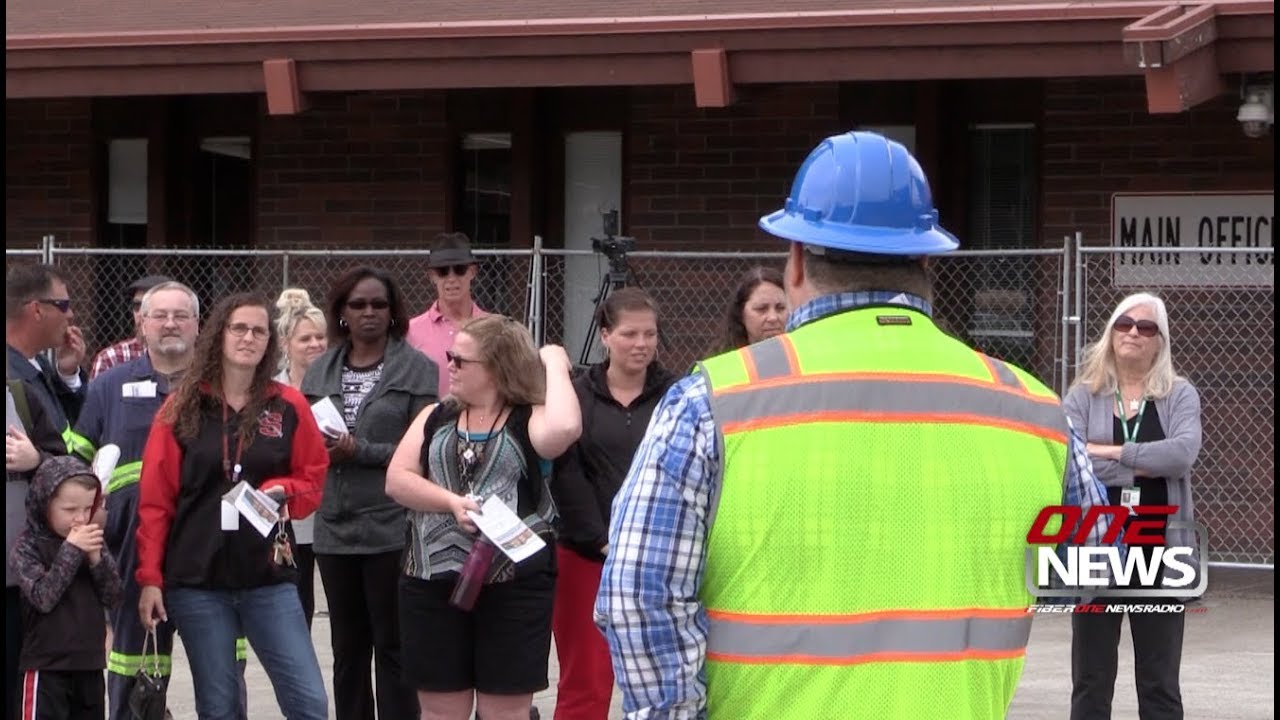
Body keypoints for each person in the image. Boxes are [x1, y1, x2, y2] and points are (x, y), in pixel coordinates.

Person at [595, 131, 1115, 720]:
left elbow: (640, 597)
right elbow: (1095, 566)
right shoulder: (1034, 410)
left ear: (795, 261)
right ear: (925, 259)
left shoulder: (712, 402)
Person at [135, 292, 329, 720]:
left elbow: (314, 479)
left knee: (309, 702)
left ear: (270, 341)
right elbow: (155, 503)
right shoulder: (181, 407)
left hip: (268, 576)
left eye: (259, 330)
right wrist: (150, 578)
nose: (248, 338)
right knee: (219, 706)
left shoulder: (288, 405)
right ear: (218, 335)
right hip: (198, 581)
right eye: (238, 328)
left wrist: (283, 489)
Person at [69, 281, 250, 720]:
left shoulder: (226, 387)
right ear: (142, 324)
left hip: (211, 550)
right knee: (134, 669)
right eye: (160, 316)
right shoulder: (108, 386)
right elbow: (75, 464)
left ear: (198, 325)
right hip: (132, 553)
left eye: (181, 315)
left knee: (223, 674)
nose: (170, 324)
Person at [386, 317, 581, 720]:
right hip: (432, 578)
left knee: (505, 710)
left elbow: (564, 428)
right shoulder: (436, 416)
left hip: (513, 584)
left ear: (497, 368)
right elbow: (397, 480)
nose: (450, 366)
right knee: (440, 709)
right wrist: (450, 502)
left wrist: (553, 362)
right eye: (450, 356)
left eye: (461, 360)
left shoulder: (528, 417)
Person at [301, 268, 437, 720]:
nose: (369, 312)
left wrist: (359, 450)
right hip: (334, 527)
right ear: (341, 312)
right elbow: (302, 441)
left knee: (393, 646)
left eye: (379, 304)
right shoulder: (319, 370)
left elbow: (424, 448)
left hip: (391, 526)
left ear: (393, 311)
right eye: (358, 305)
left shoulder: (417, 368)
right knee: (347, 650)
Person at [1064, 292, 1202, 720]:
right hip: (1096, 547)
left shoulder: (1179, 394)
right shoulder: (1083, 395)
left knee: (1160, 683)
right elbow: (1071, 459)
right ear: (1111, 333)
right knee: (1091, 679)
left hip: (1161, 549)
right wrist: (1145, 463)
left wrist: (1110, 451)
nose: (1133, 333)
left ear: (1160, 341)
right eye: (1124, 324)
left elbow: (1181, 454)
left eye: (1146, 327)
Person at [549, 288, 676, 720]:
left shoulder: (677, 395)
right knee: (585, 681)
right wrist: (602, 542)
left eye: (649, 334)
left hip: (659, 558)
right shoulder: (576, 394)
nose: (641, 344)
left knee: (665, 680)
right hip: (586, 556)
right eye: (629, 334)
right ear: (605, 335)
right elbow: (566, 473)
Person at [9, 455, 123, 720]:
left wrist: (96, 560)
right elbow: (43, 597)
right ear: (44, 503)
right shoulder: (27, 547)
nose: (80, 519)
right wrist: (71, 550)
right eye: (70, 510)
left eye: (88, 508)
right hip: (45, 666)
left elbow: (114, 596)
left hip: (89, 663)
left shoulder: (92, 539)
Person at [6, 356, 68, 720]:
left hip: (21, 587)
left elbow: (67, 474)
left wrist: (37, 460)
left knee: (21, 696)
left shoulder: (22, 399)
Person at [274, 288, 328, 628]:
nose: (315, 344)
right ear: (286, 344)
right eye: (306, 338)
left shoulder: (337, 385)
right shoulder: (273, 390)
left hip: (333, 505)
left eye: (320, 337)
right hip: (292, 506)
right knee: (297, 596)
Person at [5, 264, 88, 450]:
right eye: (63, 305)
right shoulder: (11, 379)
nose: (70, 314)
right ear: (37, 310)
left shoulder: (39, 364)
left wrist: (68, 375)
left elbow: (76, 428)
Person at [406, 232, 491, 397]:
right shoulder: (411, 332)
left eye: (459, 269)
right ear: (432, 276)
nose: (451, 278)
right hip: (429, 412)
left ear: (472, 272)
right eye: (443, 271)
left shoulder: (493, 328)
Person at [90, 275, 171, 380]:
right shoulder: (112, 359)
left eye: (150, 306)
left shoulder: (189, 358)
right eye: (137, 306)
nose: (141, 314)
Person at [712, 266, 787, 354]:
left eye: (780, 308)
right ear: (741, 314)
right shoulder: (725, 361)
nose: (773, 317)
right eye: (761, 309)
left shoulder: (801, 355)